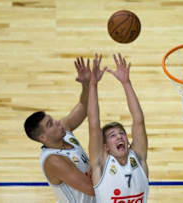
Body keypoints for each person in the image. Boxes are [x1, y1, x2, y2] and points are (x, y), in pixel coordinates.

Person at [23, 56, 105, 203]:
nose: (57, 122)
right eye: (50, 124)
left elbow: (83, 106)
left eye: (52, 119)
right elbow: (92, 188)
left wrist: (87, 85)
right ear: (43, 138)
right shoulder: (54, 160)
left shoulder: (63, 130)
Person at [87, 53, 149, 202]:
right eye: (112, 135)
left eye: (122, 133)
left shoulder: (138, 158)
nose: (120, 136)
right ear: (105, 146)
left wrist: (126, 83)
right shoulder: (100, 164)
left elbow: (138, 121)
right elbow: (93, 124)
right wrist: (93, 85)